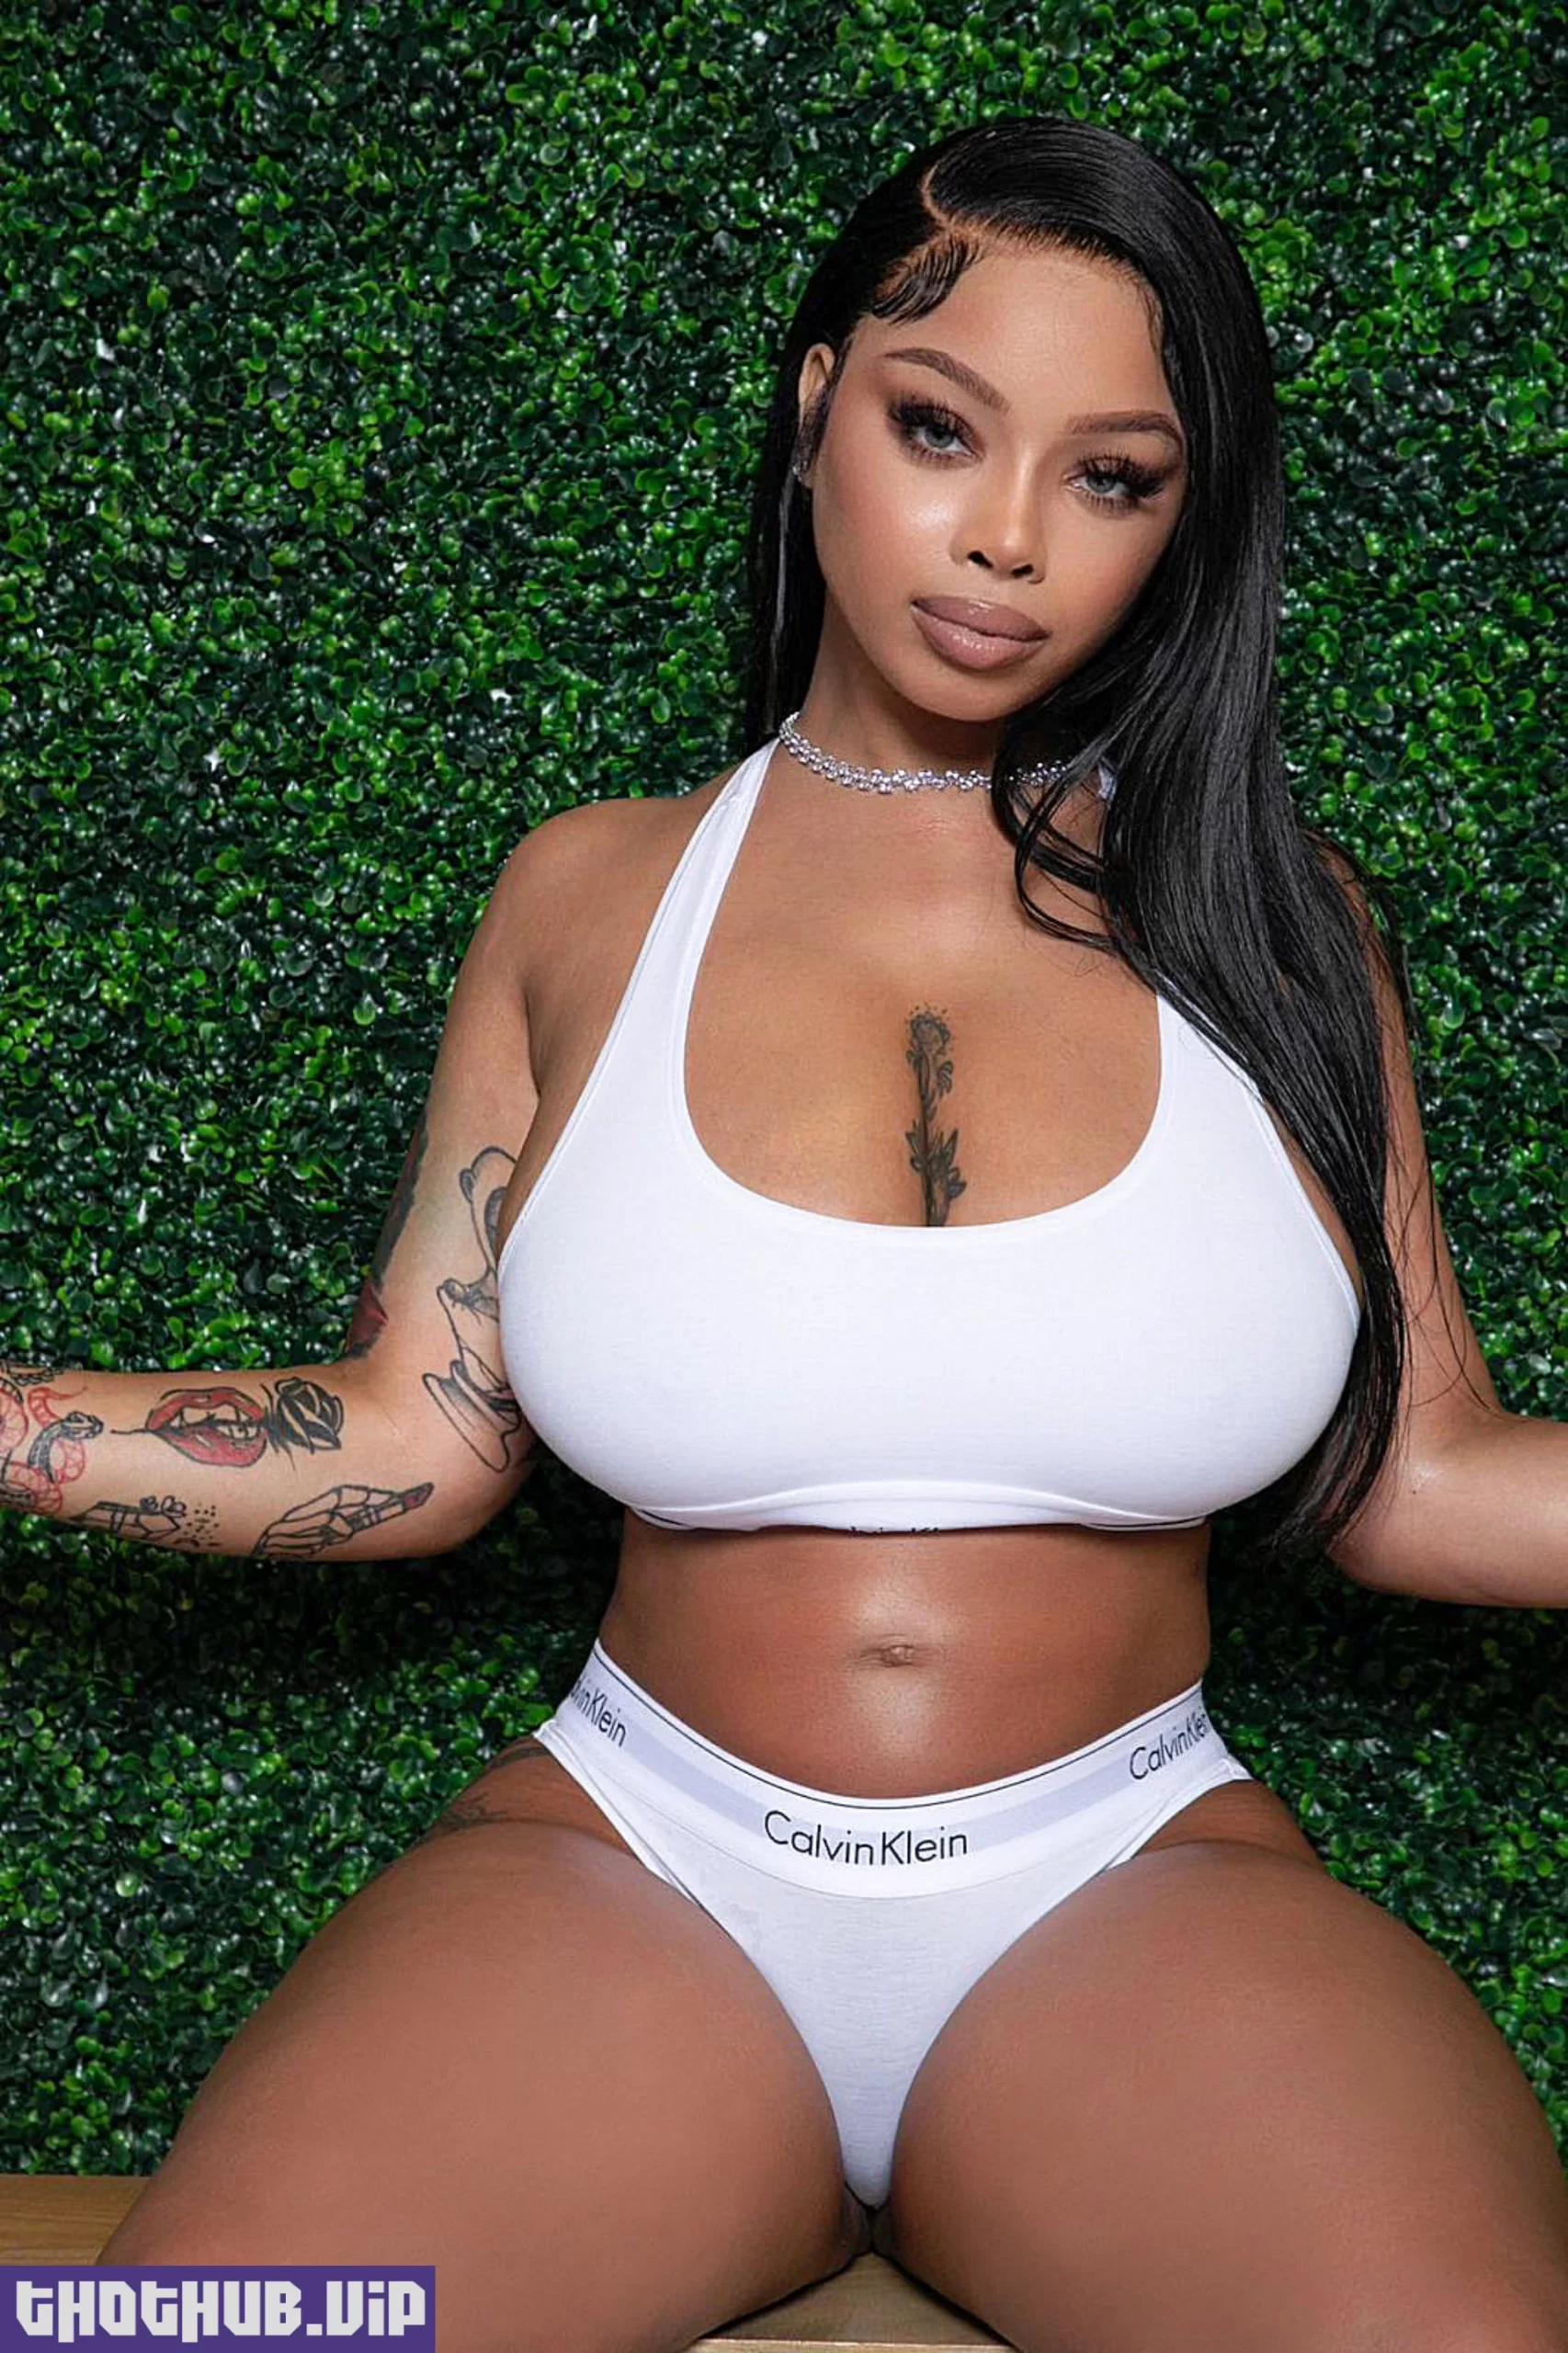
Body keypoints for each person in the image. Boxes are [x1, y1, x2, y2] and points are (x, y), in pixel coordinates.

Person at [6, 111, 1562, 2351]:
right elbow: (411, 1435)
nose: (1008, 535)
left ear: (1182, 520)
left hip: (1121, 1878)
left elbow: (1425, 1475)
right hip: (639, 1858)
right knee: (226, 2328)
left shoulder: (1278, 923)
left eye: (1112, 476)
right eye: (941, 429)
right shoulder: (589, 897)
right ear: (821, 404)